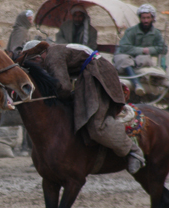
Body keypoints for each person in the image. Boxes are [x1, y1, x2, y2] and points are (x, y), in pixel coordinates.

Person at [43, 44, 146, 174]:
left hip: (98, 74)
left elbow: (64, 88)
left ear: (38, 55)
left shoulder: (52, 55)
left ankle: (134, 151)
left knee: (97, 126)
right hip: (90, 75)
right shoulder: (53, 53)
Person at [113, 4, 167, 94]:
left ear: (153, 18)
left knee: (143, 58)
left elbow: (163, 49)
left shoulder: (156, 33)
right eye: (143, 18)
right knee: (123, 58)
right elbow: (124, 47)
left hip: (141, 61)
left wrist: (149, 50)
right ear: (140, 18)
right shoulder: (131, 31)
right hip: (127, 58)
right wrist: (141, 50)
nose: (145, 20)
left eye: (148, 18)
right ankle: (137, 84)